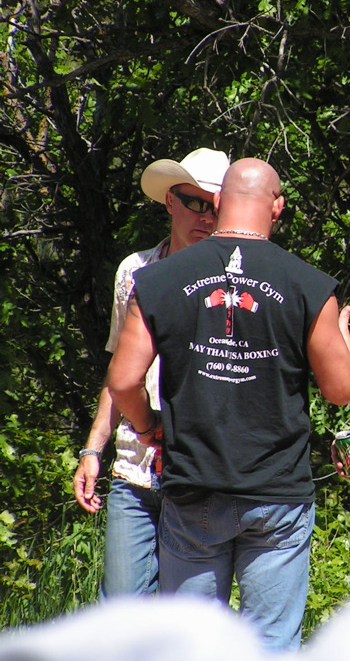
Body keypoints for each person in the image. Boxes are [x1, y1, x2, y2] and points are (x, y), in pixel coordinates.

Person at [106, 158, 350, 651]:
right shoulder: (308, 284)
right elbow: (341, 389)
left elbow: (122, 379)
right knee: (271, 643)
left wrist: (148, 426)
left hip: (194, 483)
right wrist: (345, 345)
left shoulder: (157, 279)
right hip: (277, 492)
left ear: (220, 202)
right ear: (278, 207)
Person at [73, 147, 229, 597]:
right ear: (169, 201)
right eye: (195, 201)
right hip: (134, 470)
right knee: (122, 609)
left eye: (216, 206)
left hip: (202, 472)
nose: (205, 215)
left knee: (188, 619)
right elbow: (119, 372)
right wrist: (92, 449)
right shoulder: (134, 272)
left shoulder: (234, 279)